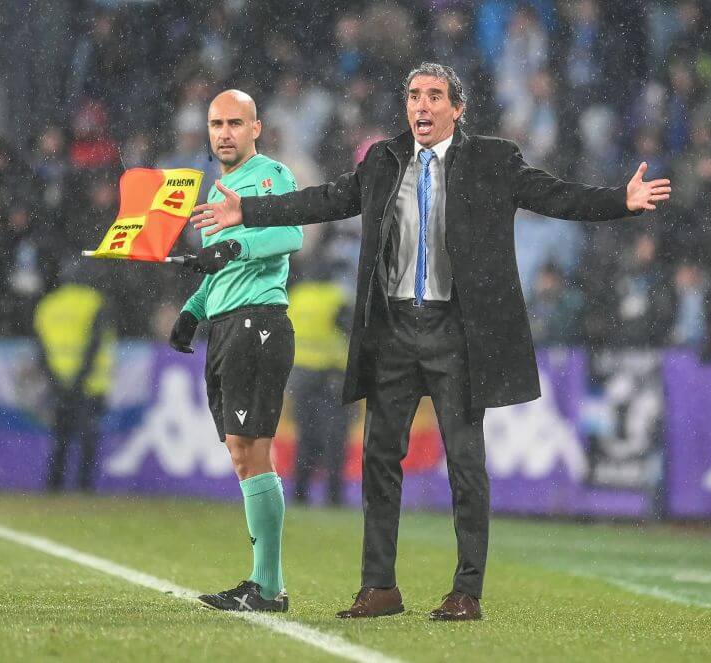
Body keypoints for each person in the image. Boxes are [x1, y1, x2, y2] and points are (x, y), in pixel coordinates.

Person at [192, 63, 671, 621]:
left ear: (457, 108)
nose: (421, 105)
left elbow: (555, 196)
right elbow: (325, 200)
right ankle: (379, 588)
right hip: (393, 331)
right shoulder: (383, 160)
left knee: (465, 464)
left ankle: (466, 591)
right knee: (378, 460)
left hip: (456, 333)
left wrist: (620, 200)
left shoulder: (492, 159)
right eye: (414, 95)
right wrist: (247, 210)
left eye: (435, 96)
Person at [171, 89, 303, 613]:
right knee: (241, 452)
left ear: (256, 128)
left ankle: (267, 588)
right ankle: (267, 585)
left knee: (251, 448)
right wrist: (193, 310)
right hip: (228, 325)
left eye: (234, 123)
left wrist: (233, 244)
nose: (224, 133)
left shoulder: (271, 175)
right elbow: (222, 270)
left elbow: (290, 234)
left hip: (259, 322)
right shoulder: (218, 190)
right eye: (216, 124)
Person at [33, 275, 116, 491]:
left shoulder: (48, 304)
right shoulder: (94, 301)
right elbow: (96, 343)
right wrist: (80, 378)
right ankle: (84, 487)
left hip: (58, 383)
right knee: (88, 439)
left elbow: (40, 348)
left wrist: (56, 381)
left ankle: (54, 486)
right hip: (89, 385)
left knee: (60, 437)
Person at [286, 259, 352, 505]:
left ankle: (300, 492)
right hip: (331, 376)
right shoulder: (336, 297)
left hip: (300, 376)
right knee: (335, 437)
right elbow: (350, 330)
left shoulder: (297, 296)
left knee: (306, 436)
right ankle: (334, 496)